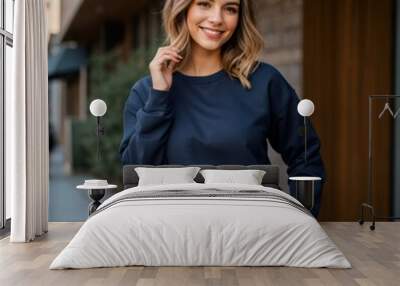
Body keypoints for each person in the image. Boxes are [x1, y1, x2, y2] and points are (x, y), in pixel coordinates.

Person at [120, 0, 326, 217]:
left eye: (230, 8)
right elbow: (135, 173)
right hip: (170, 231)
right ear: (183, 10)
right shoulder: (147, 91)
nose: (217, 18)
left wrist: (302, 217)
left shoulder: (265, 81)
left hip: (254, 229)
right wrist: (159, 97)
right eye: (205, 4)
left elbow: (306, 157)